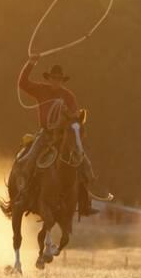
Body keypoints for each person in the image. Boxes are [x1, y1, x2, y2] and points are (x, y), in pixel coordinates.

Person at [16, 53, 95, 207]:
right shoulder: (40, 89)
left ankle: (86, 201)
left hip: (64, 136)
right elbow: (23, 83)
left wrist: (68, 119)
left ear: (61, 81)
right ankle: (23, 194)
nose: (55, 81)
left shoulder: (68, 96)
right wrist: (31, 64)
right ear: (49, 79)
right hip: (45, 134)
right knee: (29, 159)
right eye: (53, 78)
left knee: (84, 163)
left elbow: (74, 117)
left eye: (58, 79)